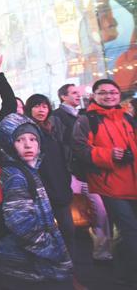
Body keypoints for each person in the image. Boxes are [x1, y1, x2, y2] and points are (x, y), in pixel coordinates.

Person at [0, 114, 73, 289]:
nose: (28, 145)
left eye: (33, 139)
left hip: (25, 260)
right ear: (8, 144)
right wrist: (51, 248)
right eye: (19, 140)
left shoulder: (26, 169)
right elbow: (21, 223)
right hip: (27, 262)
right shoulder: (16, 176)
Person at [72, 79, 137, 286]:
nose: (109, 96)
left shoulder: (126, 117)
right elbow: (79, 148)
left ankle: (123, 273)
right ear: (94, 96)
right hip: (110, 186)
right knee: (130, 230)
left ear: (119, 95)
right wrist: (109, 154)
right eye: (103, 93)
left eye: (113, 92)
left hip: (132, 182)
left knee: (127, 232)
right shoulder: (86, 120)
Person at [55, 83, 112, 262]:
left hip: (88, 171)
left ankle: (101, 250)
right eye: (74, 93)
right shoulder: (58, 116)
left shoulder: (84, 115)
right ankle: (74, 256)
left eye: (79, 93)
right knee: (77, 212)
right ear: (63, 97)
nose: (78, 96)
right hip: (72, 173)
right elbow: (62, 144)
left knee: (100, 211)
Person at [23, 94, 74, 263]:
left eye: (44, 106)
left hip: (59, 187)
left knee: (68, 229)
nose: (41, 110)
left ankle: (68, 265)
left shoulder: (51, 129)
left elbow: (59, 160)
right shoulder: (26, 132)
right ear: (29, 109)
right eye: (37, 106)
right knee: (46, 233)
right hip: (40, 190)